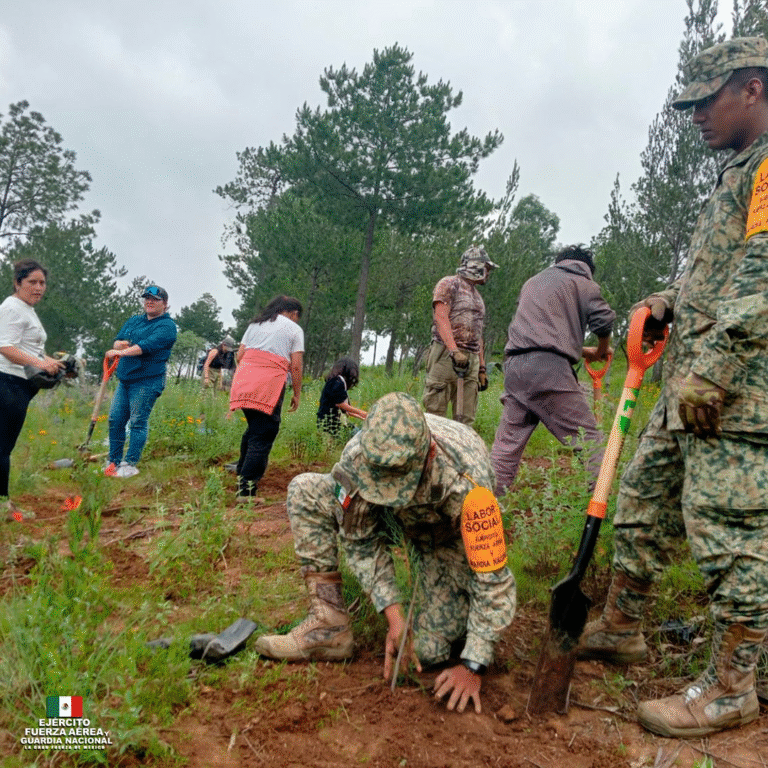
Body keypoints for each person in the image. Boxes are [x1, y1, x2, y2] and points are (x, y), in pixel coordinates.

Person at [577, 37, 768, 738]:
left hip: (732, 390)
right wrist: (665, 299)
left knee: (729, 532)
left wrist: (712, 370)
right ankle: (622, 623)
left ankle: (732, 688)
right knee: (643, 496)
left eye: (703, 100)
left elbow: (762, 283)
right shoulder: (737, 175)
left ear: (751, 87)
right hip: (686, 386)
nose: (691, 116)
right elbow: (712, 278)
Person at [253, 392, 516, 715]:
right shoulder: (360, 455)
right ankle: (329, 626)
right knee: (307, 490)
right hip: (387, 520)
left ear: (429, 453)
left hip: (441, 538)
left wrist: (474, 664)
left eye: (400, 481)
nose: (392, 492)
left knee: (425, 651)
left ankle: (452, 622)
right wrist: (394, 617)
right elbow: (361, 541)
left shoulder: (469, 486)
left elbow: (492, 579)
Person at [490, 244, 615, 497]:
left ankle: (487, 505)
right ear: (587, 270)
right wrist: (602, 349)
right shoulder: (584, 284)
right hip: (548, 370)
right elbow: (604, 321)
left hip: (515, 367)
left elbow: (540, 330)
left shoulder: (533, 283)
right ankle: (603, 506)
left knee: (506, 447)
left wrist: (583, 351)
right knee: (588, 438)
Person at [0, 259, 65, 520]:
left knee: (4, 446)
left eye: (42, 283)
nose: (38, 287)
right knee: (2, 447)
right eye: (32, 282)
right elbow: (5, 346)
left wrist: (50, 361)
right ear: (18, 283)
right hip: (7, 383)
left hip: (19, 385)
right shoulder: (13, 308)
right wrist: (40, 363)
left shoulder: (26, 308)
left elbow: (28, 348)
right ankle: (4, 506)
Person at [229, 295, 304, 502]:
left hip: (244, 380)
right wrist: (297, 393)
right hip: (268, 383)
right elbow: (296, 366)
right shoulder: (294, 329)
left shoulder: (256, 324)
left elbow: (240, 355)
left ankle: (242, 473)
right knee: (264, 433)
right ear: (293, 313)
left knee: (254, 429)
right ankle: (247, 492)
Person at [104, 285, 178, 478]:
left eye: (155, 299)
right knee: (115, 420)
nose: (149, 302)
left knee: (137, 421)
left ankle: (130, 464)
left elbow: (146, 346)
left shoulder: (167, 326)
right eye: (147, 298)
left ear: (165, 304)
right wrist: (119, 345)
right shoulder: (135, 321)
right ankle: (113, 462)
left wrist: (121, 351)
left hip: (147, 381)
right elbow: (118, 340)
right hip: (126, 379)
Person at [422, 245, 498, 427]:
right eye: (486, 268)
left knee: (466, 417)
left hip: (470, 358)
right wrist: (454, 350)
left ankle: (460, 453)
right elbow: (441, 318)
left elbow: (478, 333)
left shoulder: (477, 297)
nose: (487, 273)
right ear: (474, 266)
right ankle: (434, 452)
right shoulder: (449, 284)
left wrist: (481, 368)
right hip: (445, 354)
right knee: (435, 413)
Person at [316, 356, 366, 437]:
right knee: (362, 435)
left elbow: (347, 411)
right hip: (330, 425)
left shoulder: (336, 382)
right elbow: (339, 404)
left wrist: (364, 417)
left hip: (331, 423)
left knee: (360, 430)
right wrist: (362, 412)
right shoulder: (338, 381)